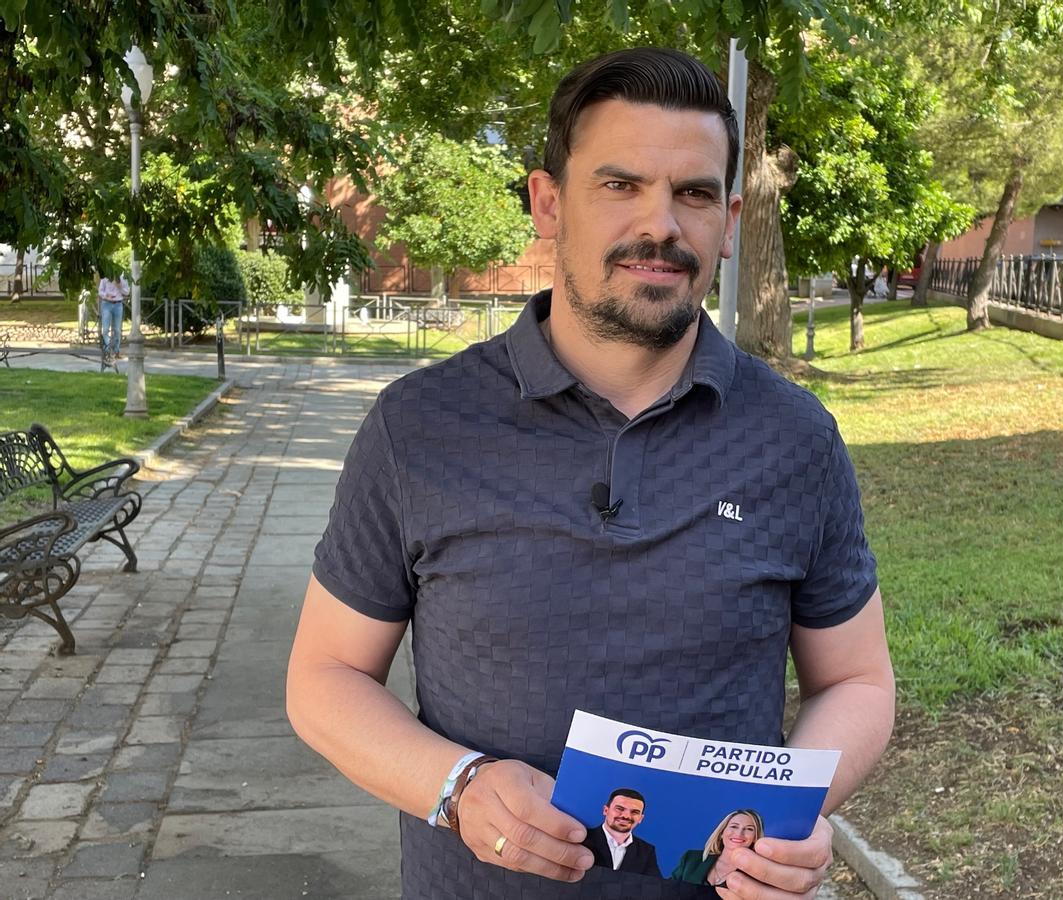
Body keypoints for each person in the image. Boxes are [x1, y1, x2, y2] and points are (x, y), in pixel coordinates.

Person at [287, 47, 895, 900]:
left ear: (727, 217)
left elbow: (857, 680)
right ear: (549, 203)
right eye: (620, 185)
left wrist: (788, 816)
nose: (661, 226)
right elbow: (324, 678)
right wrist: (457, 786)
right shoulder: (419, 426)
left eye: (691, 195)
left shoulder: (796, 440)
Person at [671, 809, 765, 887]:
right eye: (734, 826)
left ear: (755, 838)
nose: (739, 833)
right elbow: (667, 892)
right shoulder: (691, 859)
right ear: (721, 833)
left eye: (749, 829)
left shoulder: (756, 874)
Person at [580, 788, 661, 877]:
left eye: (634, 812)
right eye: (620, 809)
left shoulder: (646, 851)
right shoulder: (583, 839)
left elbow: (653, 886)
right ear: (606, 810)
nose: (626, 816)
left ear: (641, 819)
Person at [97, 271, 130, 359]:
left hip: (118, 304)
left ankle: (116, 351)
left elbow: (127, 292)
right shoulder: (105, 278)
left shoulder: (123, 278)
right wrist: (106, 296)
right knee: (105, 330)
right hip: (106, 304)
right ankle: (107, 351)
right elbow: (100, 291)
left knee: (117, 330)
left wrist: (120, 287)